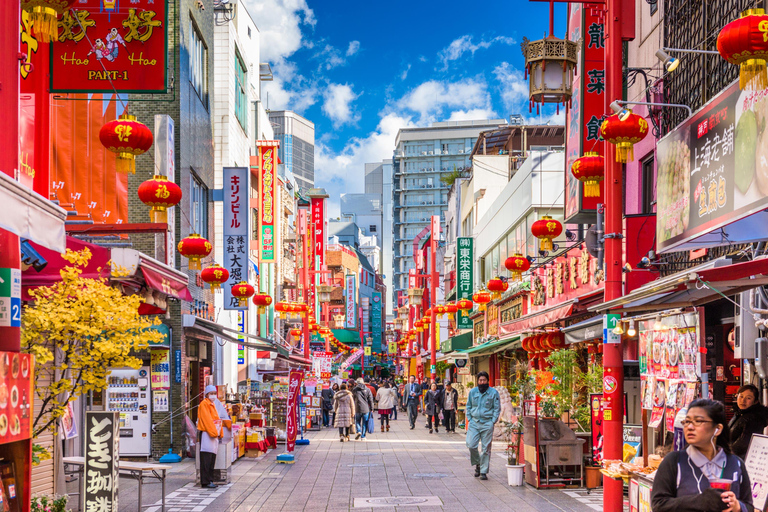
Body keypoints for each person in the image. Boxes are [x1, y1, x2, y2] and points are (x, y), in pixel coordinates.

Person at [651, 399, 754, 512]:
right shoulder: (674, 461)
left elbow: (749, 506)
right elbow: (658, 505)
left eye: (698, 421)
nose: (690, 427)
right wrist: (700, 501)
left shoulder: (736, 464)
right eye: (687, 421)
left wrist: (737, 506)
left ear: (717, 429)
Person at [465, 371, 500, 480]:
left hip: (487, 423)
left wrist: (492, 421)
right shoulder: (473, 392)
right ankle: (478, 464)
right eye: (480, 380)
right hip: (474, 423)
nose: (482, 382)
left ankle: (483, 471)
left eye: (484, 380)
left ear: (487, 381)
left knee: (486, 448)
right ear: (478, 381)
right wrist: (470, 419)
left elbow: (497, 408)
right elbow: (469, 406)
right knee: (471, 445)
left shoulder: (493, 393)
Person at [197, 385, 229, 488]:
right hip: (207, 434)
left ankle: (210, 480)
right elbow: (207, 421)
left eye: (214, 393)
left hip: (213, 434)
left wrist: (219, 433)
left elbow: (217, 420)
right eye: (211, 393)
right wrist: (215, 433)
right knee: (206, 459)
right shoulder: (204, 404)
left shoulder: (212, 404)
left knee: (211, 459)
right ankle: (205, 481)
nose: (213, 395)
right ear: (206, 394)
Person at [729, 384, 767, 459]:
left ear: (755, 401)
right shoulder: (739, 414)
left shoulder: (754, 419)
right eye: (741, 396)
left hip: (740, 462)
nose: (743, 400)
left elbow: (741, 446)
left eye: (748, 398)